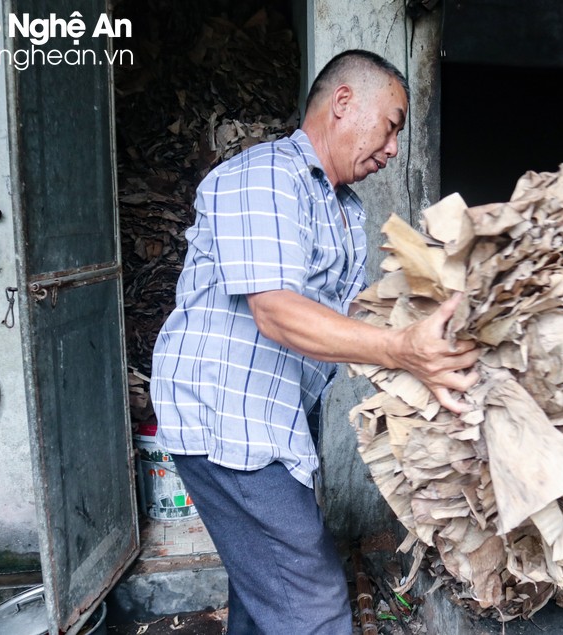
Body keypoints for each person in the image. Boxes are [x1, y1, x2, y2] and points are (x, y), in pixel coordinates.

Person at [150, 49, 480, 635]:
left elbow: (352, 319)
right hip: (229, 422)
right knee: (314, 607)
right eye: (392, 124)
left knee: (263, 594)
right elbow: (277, 311)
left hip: (268, 422)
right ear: (344, 102)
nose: (393, 148)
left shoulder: (342, 210)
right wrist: (403, 348)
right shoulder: (266, 176)